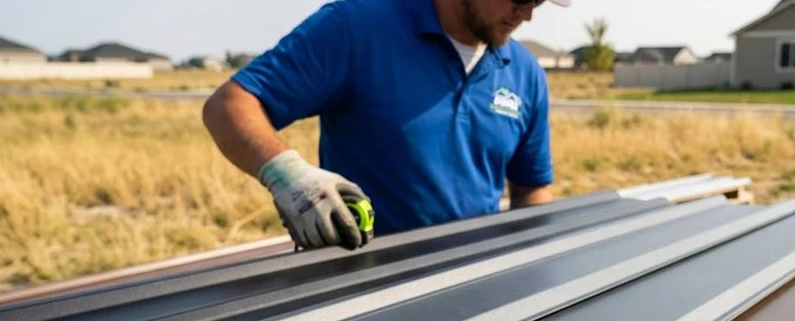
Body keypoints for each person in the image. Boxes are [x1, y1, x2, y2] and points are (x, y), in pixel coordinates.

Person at [202, 0, 569, 250]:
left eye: (539, 1)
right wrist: (289, 177)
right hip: (364, 284)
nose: (527, 14)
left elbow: (531, 191)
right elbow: (230, 106)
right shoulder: (357, 28)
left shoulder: (524, 72)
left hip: (469, 285)